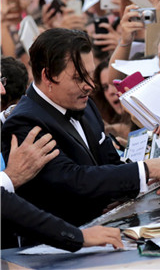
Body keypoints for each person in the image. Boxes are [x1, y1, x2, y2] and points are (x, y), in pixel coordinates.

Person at [1, 29, 160, 227]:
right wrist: (148, 169)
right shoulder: (24, 123)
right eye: (79, 77)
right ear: (48, 76)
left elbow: (109, 162)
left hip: (108, 233)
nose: (90, 85)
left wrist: (134, 188)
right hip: (57, 247)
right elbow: (71, 180)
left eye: (90, 75)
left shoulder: (84, 104)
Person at [0, 78, 122, 251]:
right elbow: (5, 205)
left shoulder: (88, 111)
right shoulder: (24, 122)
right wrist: (78, 237)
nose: (2, 90)